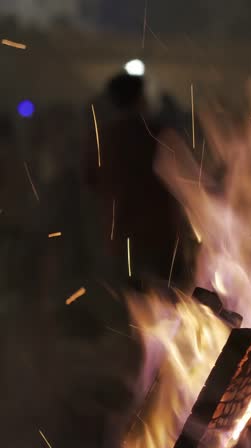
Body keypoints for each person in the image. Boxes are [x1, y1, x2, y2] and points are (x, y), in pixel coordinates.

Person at [85, 73, 187, 291]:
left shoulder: (101, 138)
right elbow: (183, 183)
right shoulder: (158, 134)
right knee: (169, 307)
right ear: (142, 98)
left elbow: (90, 183)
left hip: (121, 238)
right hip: (161, 237)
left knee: (131, 306)